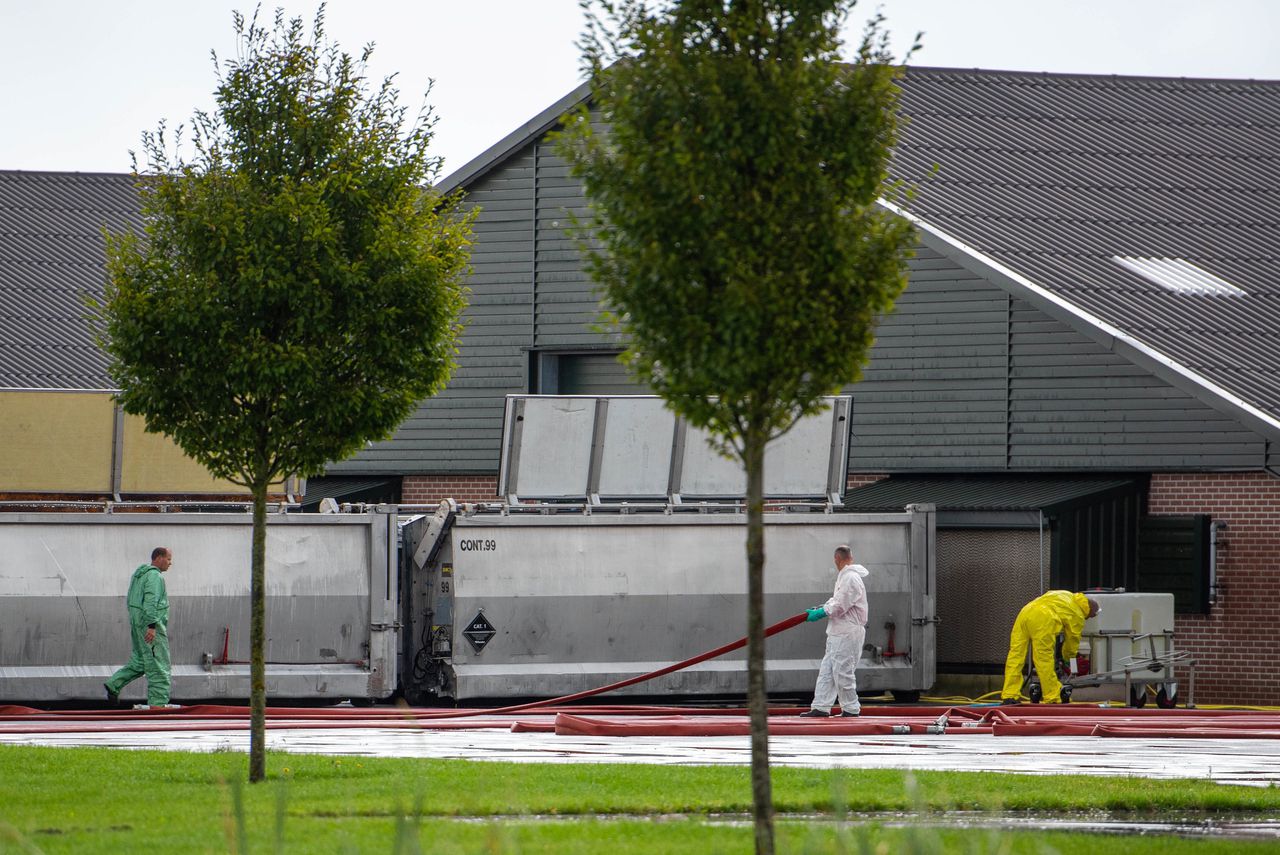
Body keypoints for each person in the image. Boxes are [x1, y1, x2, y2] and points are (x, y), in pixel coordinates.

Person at [800, 544, 869, 717]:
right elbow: (837, 600)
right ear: (850, 558)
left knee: (842, 671)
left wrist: (822, 612)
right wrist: (823, 607)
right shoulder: (845, 577)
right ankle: (821, 706)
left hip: (846, 632)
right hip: (839, 632)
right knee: (828, 670)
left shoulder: (850, 578)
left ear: (836, 559)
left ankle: (851, 708)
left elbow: (840, 604)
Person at [1000, 590, 1099, 705]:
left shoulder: (1067, 595)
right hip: (1043, 618)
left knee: (1015, 656)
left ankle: (1009, 695)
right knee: (1043, 659)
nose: (1088, 619)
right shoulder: (1078, 614)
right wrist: (1068, 657)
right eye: (1090, 617)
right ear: (1089, 612)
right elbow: (1072, 640)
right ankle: (1052, 696)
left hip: (1025, 612)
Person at [104, 547, 173, 708]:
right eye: (168, 559)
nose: (171, 563)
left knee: (141, 662)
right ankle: (158, 705)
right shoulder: (155, 576)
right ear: (159, 558)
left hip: (137, 624)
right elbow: (151, 602)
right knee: (159, 666)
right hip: (150, 626)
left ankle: (114, 684)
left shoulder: (139, 575)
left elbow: (131, 600)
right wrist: (152, 625)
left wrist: (140, 623)